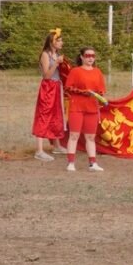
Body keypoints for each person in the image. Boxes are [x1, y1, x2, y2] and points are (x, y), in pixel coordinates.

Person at [63, 46, 107, 172]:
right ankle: (71, 163)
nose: (90, 58)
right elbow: (68, 88)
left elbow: (101, 90)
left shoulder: (97, 72)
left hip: (92, 108)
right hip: (77, 106)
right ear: (82, 57)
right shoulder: (75, 71)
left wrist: (100, 95)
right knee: (74, 135)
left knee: (90, 137)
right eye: (87, 55)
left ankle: (93, 163)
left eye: (93, 56)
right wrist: (83, 92)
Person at [31, 29, 67, 160]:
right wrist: (56, 63)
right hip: (48, 87)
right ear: (52, 42)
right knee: (44, 114)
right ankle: (39, 150)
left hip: (57, 86)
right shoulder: (45, 55)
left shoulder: (57, 54)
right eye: (59, 40)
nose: (62, 42)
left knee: (56, 115)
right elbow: (46, 75)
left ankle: (56, 145)